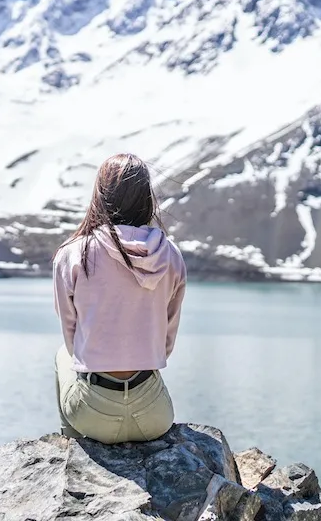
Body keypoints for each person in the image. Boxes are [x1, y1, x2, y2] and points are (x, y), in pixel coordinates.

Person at [52, 153, 187, 444]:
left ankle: (72, 445)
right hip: (154, 416)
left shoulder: (74, 254)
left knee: (62, 356)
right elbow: (166, 344)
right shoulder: (171, 255)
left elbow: (72, 341)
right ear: (146, 199)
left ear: (100, 196)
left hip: (93, 414)